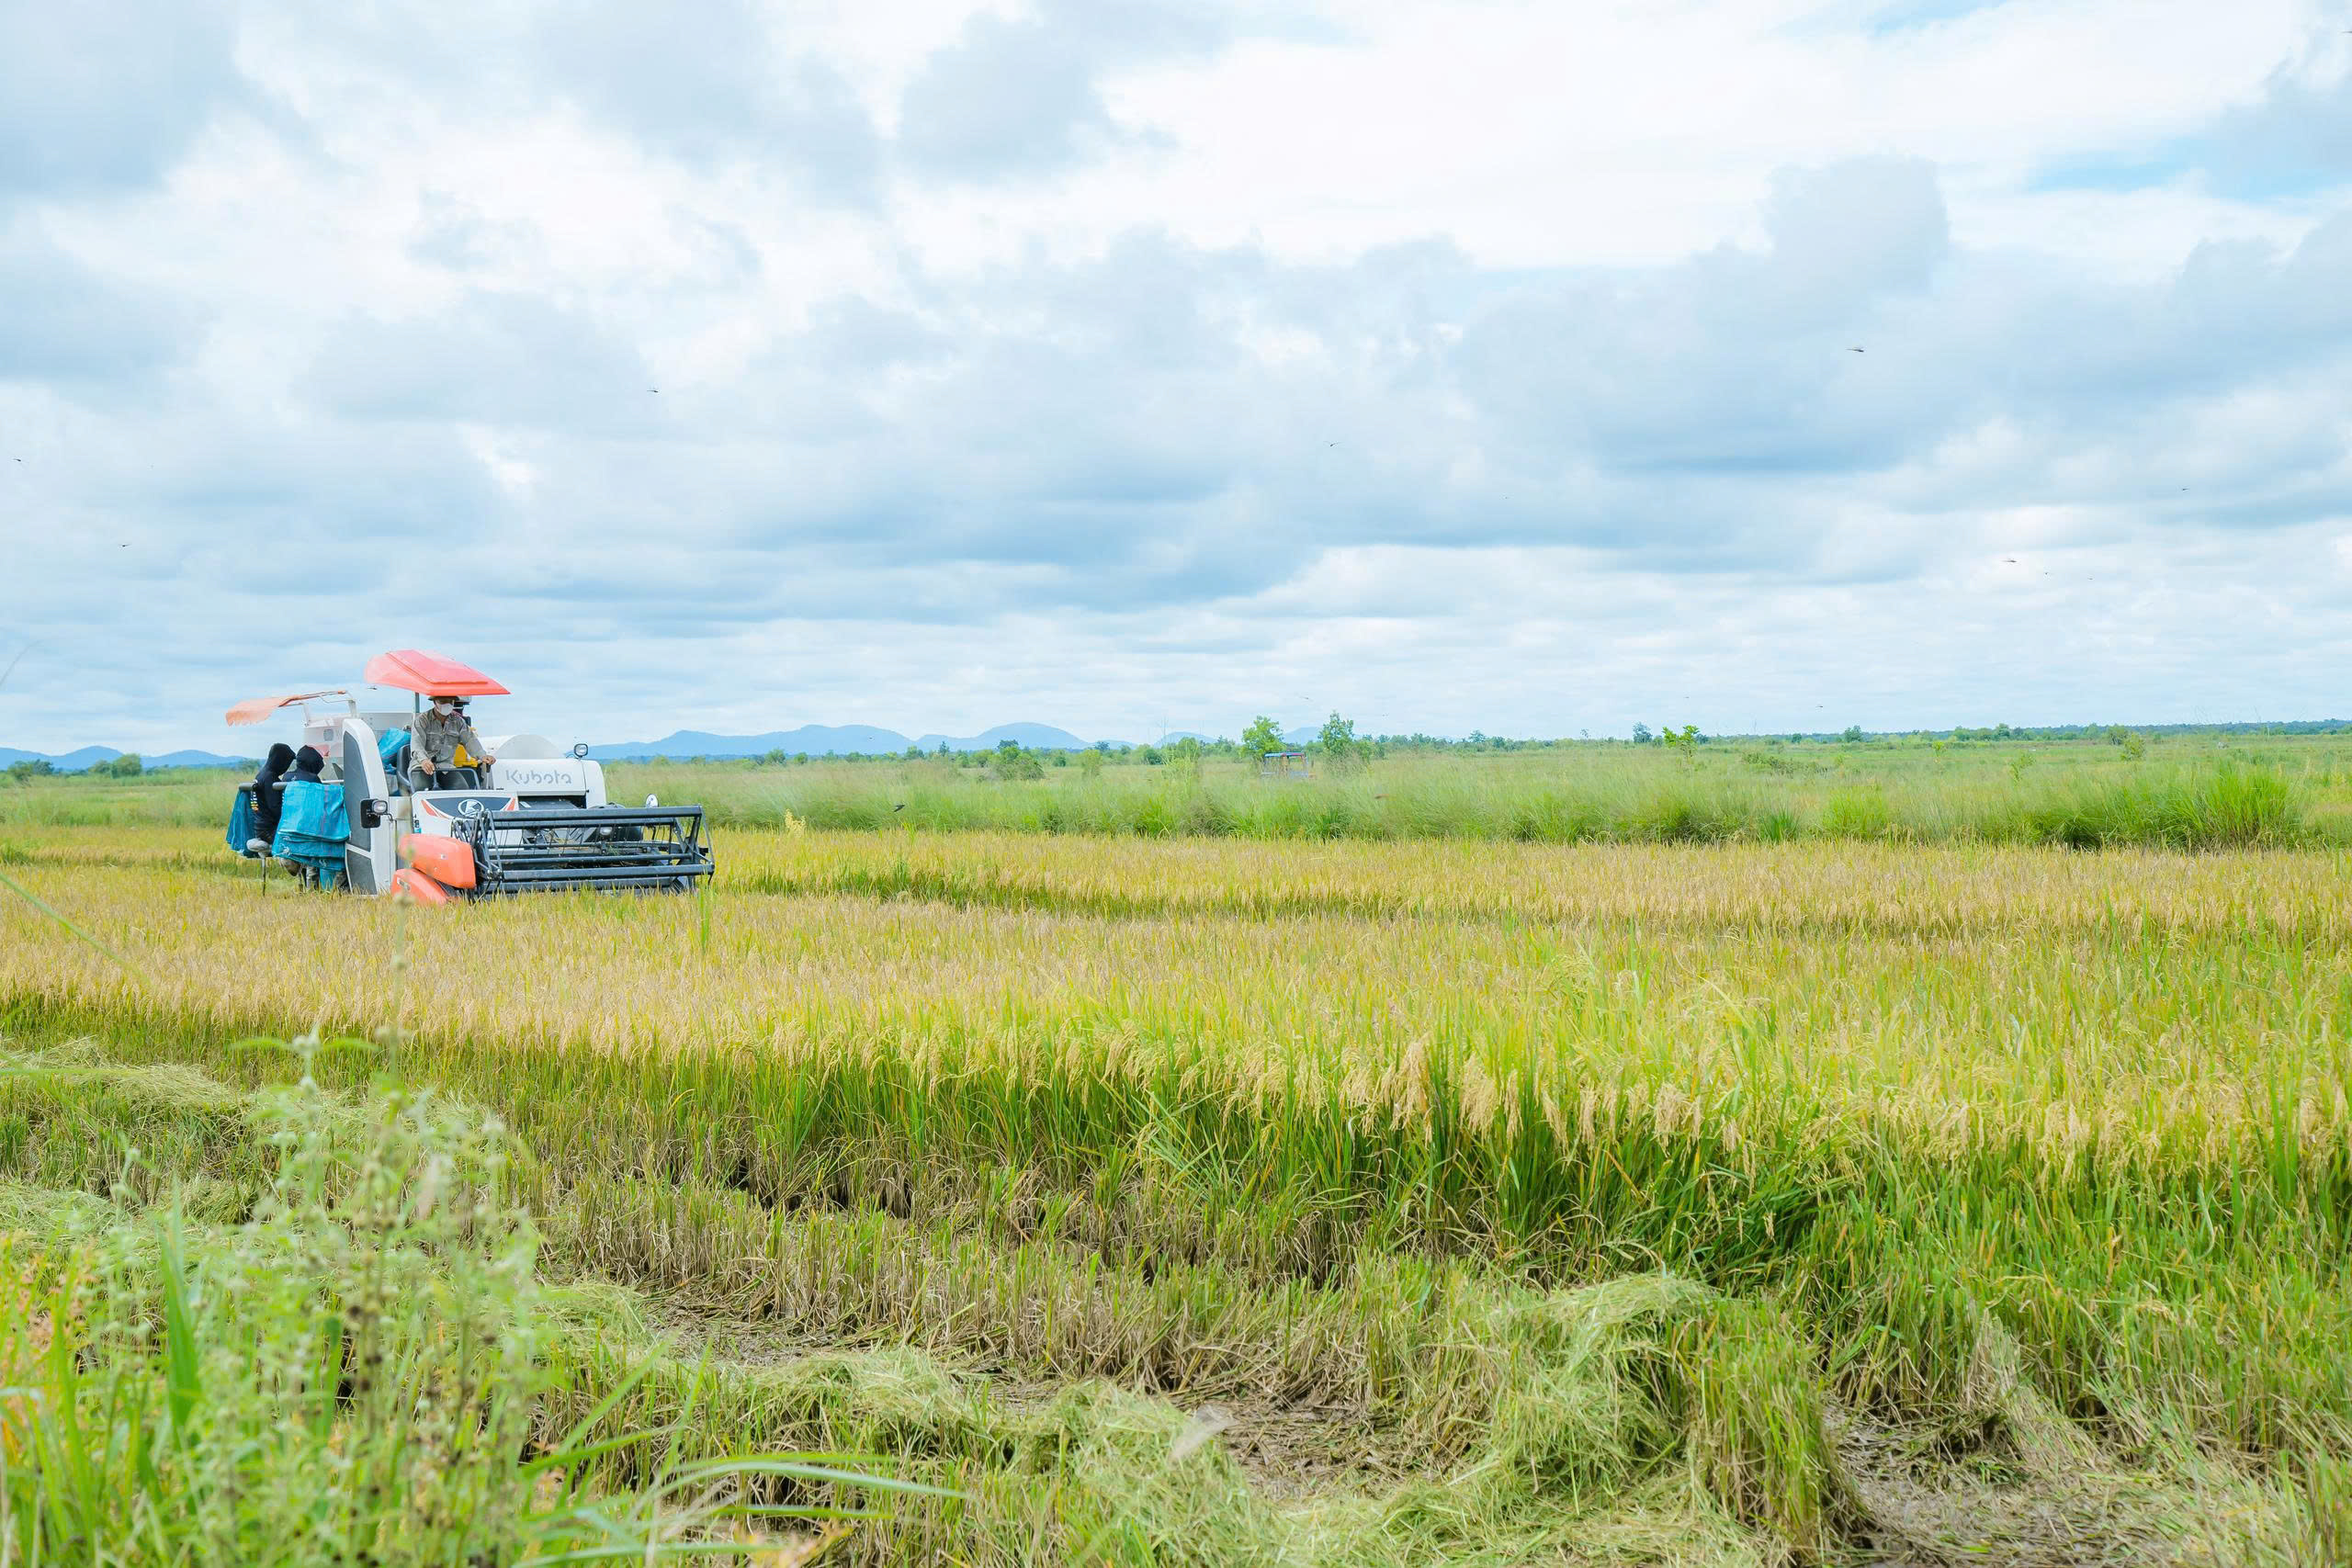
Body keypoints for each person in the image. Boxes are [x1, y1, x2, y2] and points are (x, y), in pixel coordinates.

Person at [411, 695, 495, 788]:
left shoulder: (459, 722)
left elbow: (470, 740)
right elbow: (416, 745)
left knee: (462, 789)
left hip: (446, 767)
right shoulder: (422, 720)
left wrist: (483, 756)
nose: (447, 704)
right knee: (421, 789)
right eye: (443, 701)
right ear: (435, 702)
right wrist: (424, 760)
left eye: (450, 701)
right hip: (422, 766)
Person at [245, 742, 296, 854]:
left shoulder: (261, 774)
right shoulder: (270, 778)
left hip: (260, 828)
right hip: (270, 830)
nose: (286, 767)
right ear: (280, 760)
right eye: (287, 762)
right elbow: (276, 808)